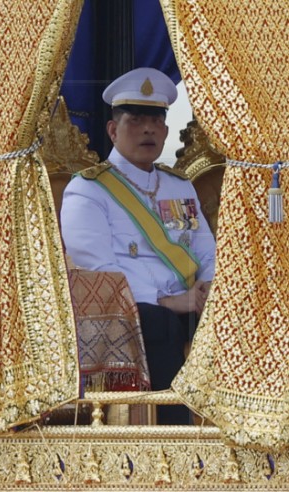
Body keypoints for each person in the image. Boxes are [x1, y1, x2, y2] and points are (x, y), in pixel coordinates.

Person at [61, 68, 216, 425]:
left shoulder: (179, 186)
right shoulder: (89, 189)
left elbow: (206, 250)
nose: (148, 129)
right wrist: (167, 300)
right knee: (160, 324)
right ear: (113, 130)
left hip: (191, 302)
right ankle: (170, 440)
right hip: (132, 310)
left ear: (164, 130)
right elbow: (99, 269)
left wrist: (210, 290)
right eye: (136, 120)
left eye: (155, 120)